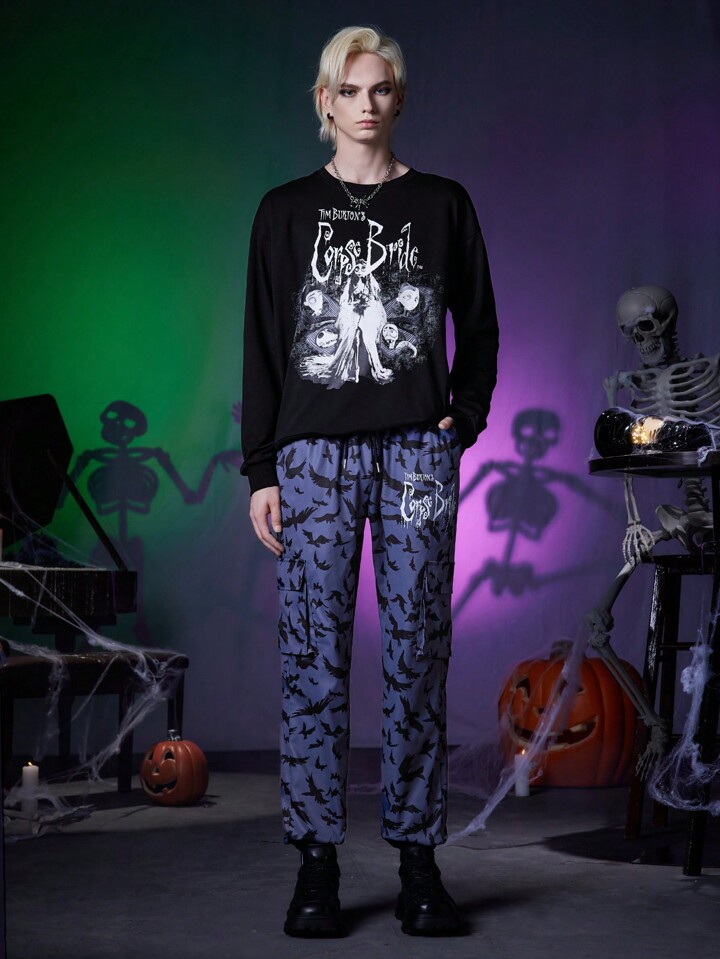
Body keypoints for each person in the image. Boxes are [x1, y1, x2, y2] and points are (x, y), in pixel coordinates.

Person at [240, 25, 499, 938]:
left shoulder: (441, 203)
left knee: (417, 651)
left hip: (417, 455)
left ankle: (419, 862)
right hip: (312, 456)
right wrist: (262, 466)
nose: (365, 105)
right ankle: (316, 863)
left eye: (380, 89)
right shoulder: (284, 211)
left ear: (399, 99)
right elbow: (263, 342)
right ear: (325, 102)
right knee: (312, 656)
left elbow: (481, 325)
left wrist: (464, 416)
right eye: (348, 91)